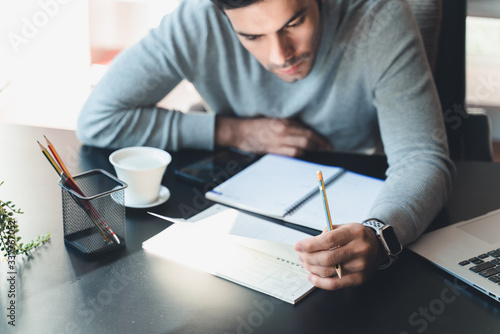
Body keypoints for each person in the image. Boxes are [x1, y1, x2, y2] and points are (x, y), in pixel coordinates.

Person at [77, 0, 455, 290]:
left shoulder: (379, 16)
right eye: (252, 37)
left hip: (363, 178)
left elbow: (422, 157)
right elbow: (98, 120)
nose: (280, 56)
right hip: (242, 199)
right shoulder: (198, 19)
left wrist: (379, 233)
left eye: (295, 22)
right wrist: (233, 131)